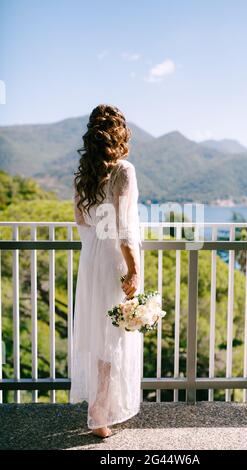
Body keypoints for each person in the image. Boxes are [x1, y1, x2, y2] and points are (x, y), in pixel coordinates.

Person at [70, 104, 142, 438]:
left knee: (100, 332)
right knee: (113, 335)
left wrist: (97, 245)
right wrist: (133, 270)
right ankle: (101, 412)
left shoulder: (84, 174)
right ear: (119, 135)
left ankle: (99, 409)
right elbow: (124, 226)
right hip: (113, 257)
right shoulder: (123, 170)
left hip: (92, 257)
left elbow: (81, 220)